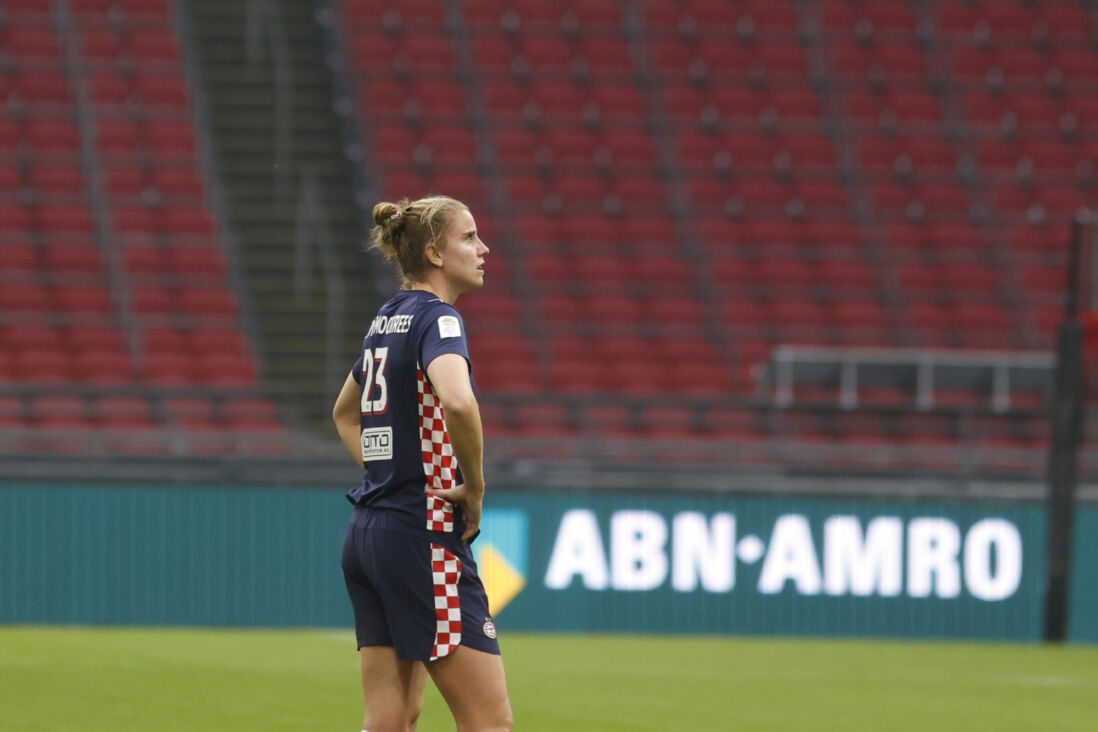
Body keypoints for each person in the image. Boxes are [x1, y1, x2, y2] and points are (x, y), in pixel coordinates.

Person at [332, 194, 513, 732]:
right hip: (422, 536)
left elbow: (344, 413)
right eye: (468, 238)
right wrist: (474, 488)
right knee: (490, 722)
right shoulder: (441, 320)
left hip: (368, 533)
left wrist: (384, 477)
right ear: (434, 253)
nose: (483, 249)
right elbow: (459, 402)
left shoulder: (384, 321)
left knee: (392, 716)